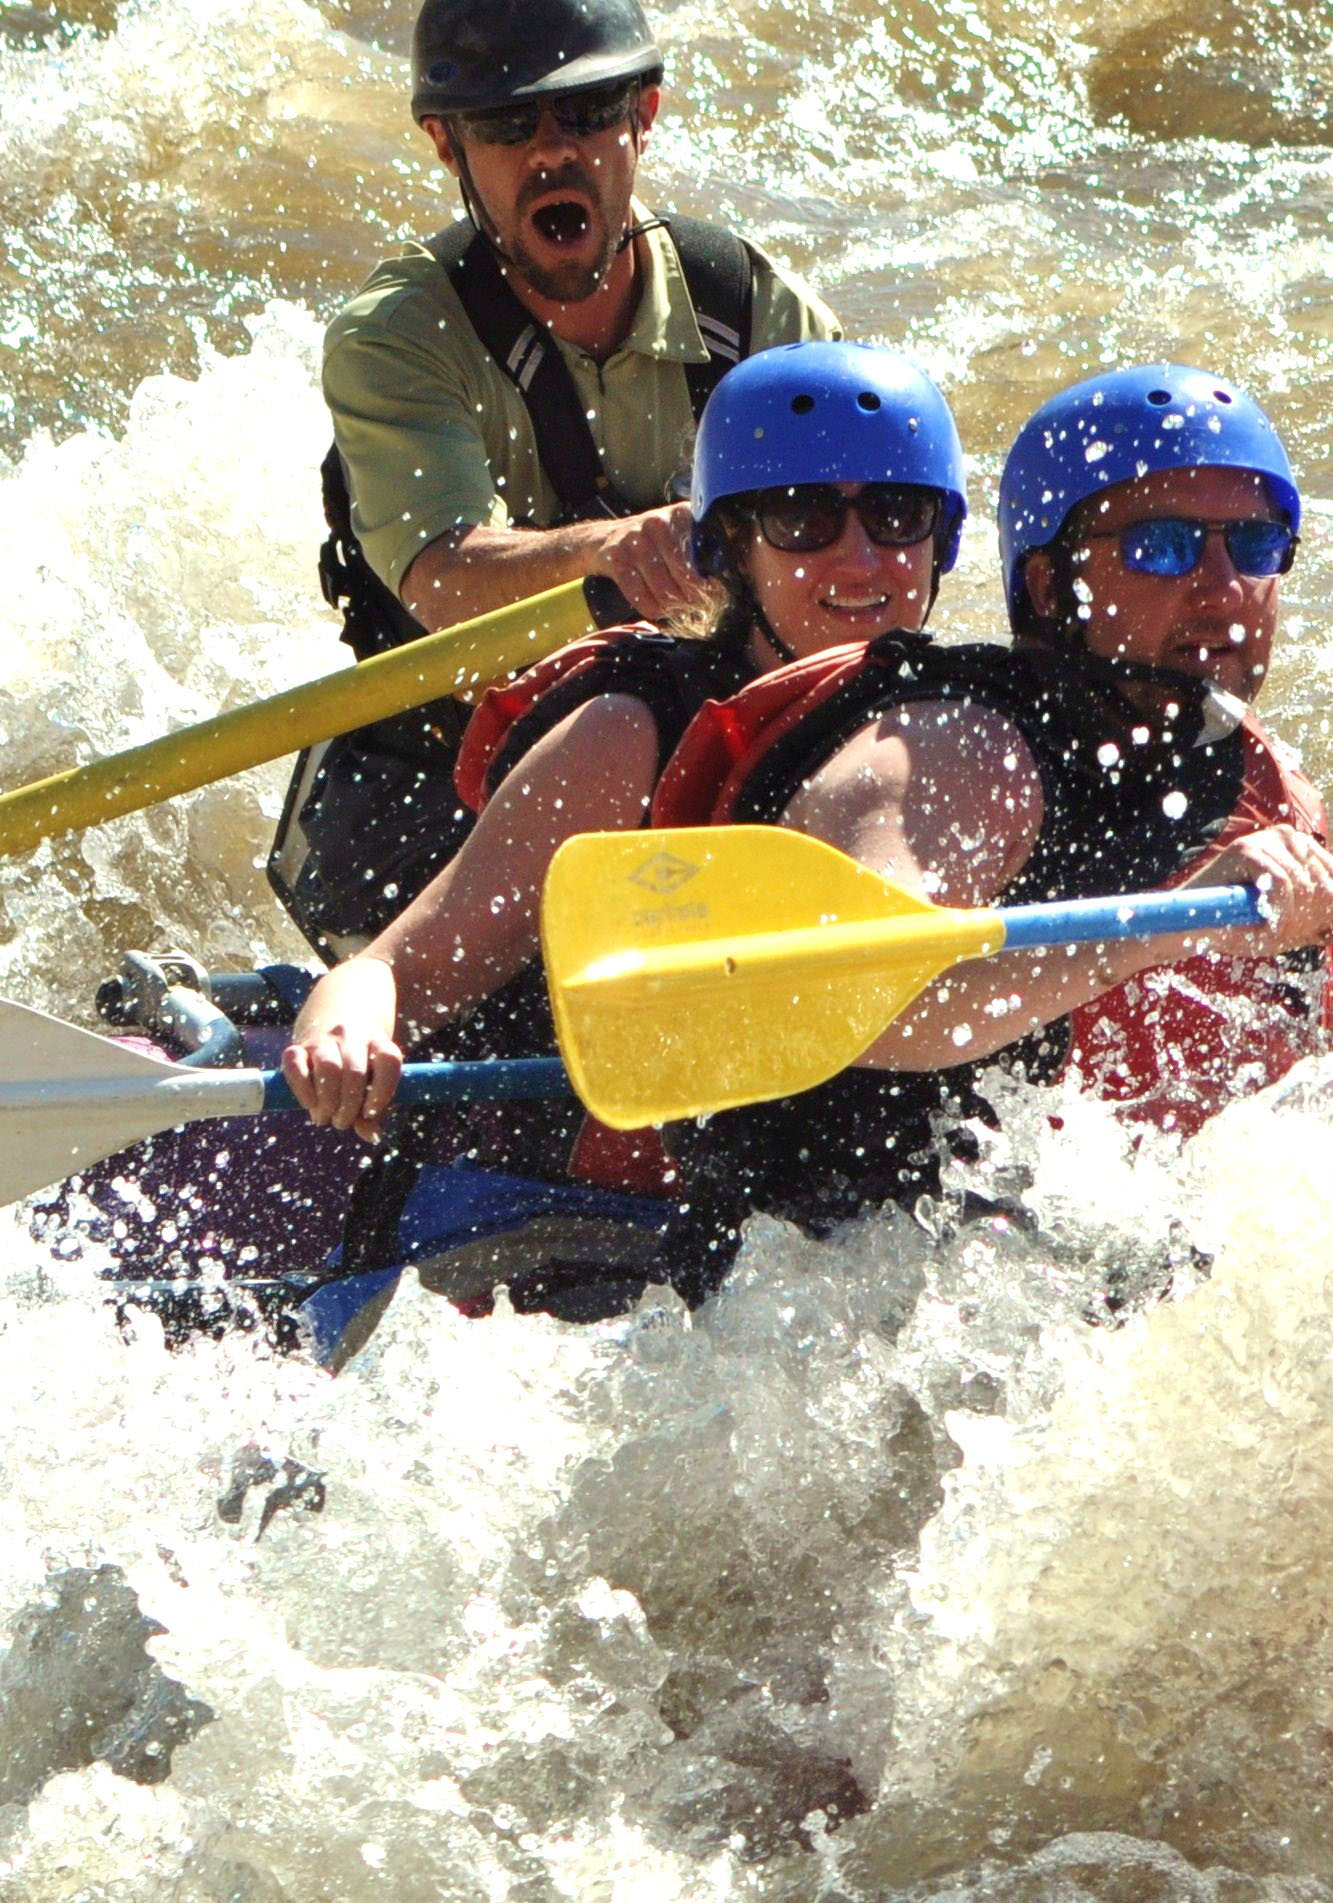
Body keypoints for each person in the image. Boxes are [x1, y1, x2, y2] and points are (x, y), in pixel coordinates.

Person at [637, 365, 1333, 1289]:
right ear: (1052, 586)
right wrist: (1179, 918)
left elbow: (1306, 1031)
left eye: (1255, 544)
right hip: (808, 1291)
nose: (1223, 586)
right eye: (1162, 545)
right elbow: (852, 991)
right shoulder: (961, 745)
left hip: (1010, 1265)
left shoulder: (1242, 767)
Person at [280, 341, 959, 1314]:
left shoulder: (967, 733)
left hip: (797, 1240)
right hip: (563, 1220)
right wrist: (342, 1022)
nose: (858, 558)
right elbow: (395, 971)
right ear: (731, 548)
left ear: (943, 541)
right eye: (803, 518)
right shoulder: (626, 731)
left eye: (898, 515)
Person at [270, 0, 840, 956]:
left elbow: (868, 554)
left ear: (642, 118)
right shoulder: (395, 338)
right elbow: (447, 580)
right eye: (506, 125)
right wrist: (616, 549)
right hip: (437, 778)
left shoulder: (751, 309)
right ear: (446, 145)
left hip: (691, 760)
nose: (551, 154)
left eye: (584, 114)